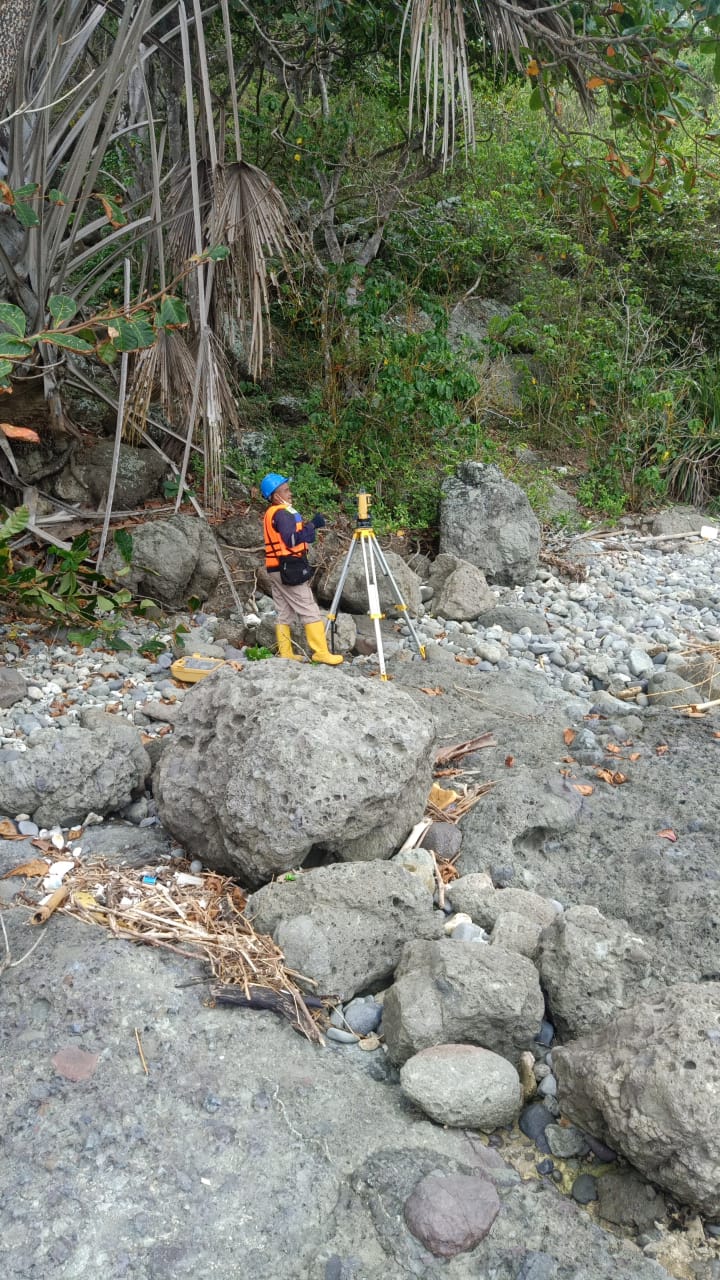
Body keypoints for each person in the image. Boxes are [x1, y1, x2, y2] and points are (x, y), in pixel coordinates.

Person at [260, 472, 343, 666]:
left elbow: (295, 536)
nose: (290, 493)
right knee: (309, 609)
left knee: (284, 612)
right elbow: (291, 540)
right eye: (285, 490)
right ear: (275, 495)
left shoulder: (275, 513)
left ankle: (286, 653)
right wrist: (313, 524)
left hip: (275, 568)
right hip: (288, 569)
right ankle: (321, 652)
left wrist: (308, 529)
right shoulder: (281, 513)